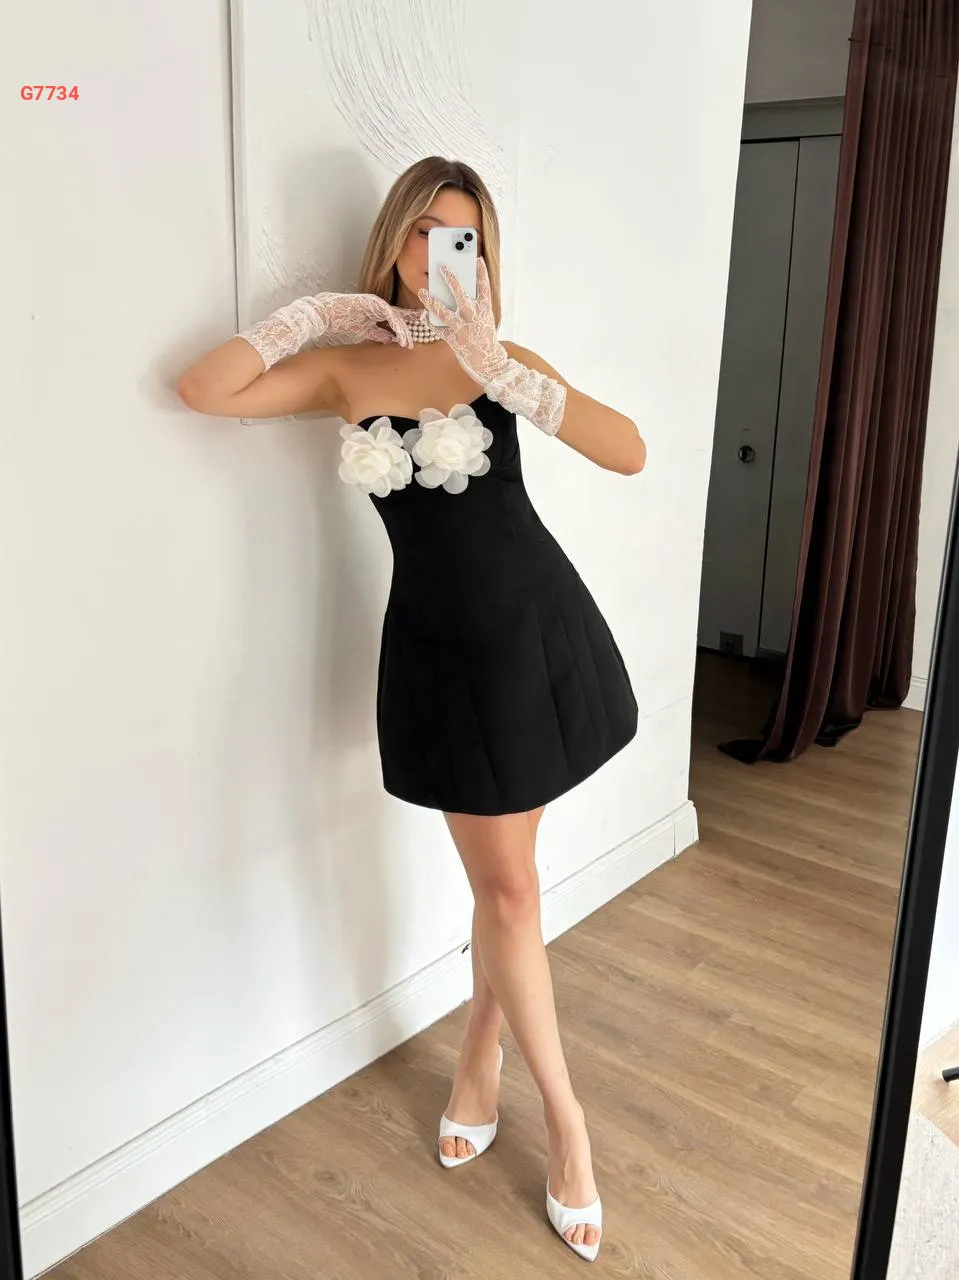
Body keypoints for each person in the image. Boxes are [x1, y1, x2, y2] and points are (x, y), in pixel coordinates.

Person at [176, 155, 646, 1263]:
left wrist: (506, 373)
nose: (443, 254)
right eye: (426, 231)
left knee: (506, 888)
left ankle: (554, 1114)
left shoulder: (498, 359)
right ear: (393, 239)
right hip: (440, 654)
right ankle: (499, 1069)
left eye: (464, 237)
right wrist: (310, 318)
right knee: (507, 890)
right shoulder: (346, 369)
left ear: (485, 255)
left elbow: (628, 452)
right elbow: (206, 389)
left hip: (536, 631)